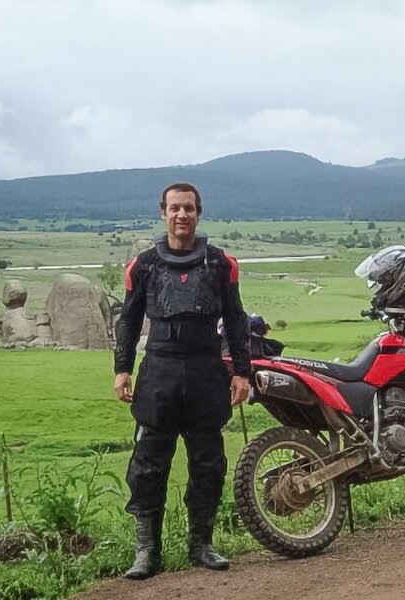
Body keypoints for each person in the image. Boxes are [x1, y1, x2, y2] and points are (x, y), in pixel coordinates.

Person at [113, 182, 251, 579]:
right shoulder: (143, 266)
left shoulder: (222, 264)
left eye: (188, 208)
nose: (181, 215)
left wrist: (241, 371)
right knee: (148, 465)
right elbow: (129, 319)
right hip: (159, 370)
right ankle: (147, 552)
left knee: (208, 462)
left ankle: (202, 545)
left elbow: (237, 319)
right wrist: (122, 368)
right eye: (174, 208)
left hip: (207, 370)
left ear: (198, 213)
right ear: (163, 213)